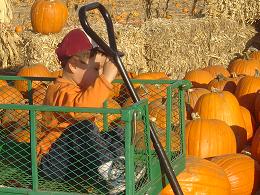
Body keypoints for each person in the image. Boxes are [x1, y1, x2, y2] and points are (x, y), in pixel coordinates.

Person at [36, 28, 145, 194]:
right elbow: (82, 110)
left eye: (101, 70)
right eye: (95, 69)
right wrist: (106, 79)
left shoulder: (78, 88)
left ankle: (120, 167)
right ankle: (114, 176)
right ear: (72, 66)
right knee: (82, 128)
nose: (99, 74)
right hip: (54, 162)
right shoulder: (58, 91)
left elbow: (89, 100)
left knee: (117, 132)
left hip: (76, 160)